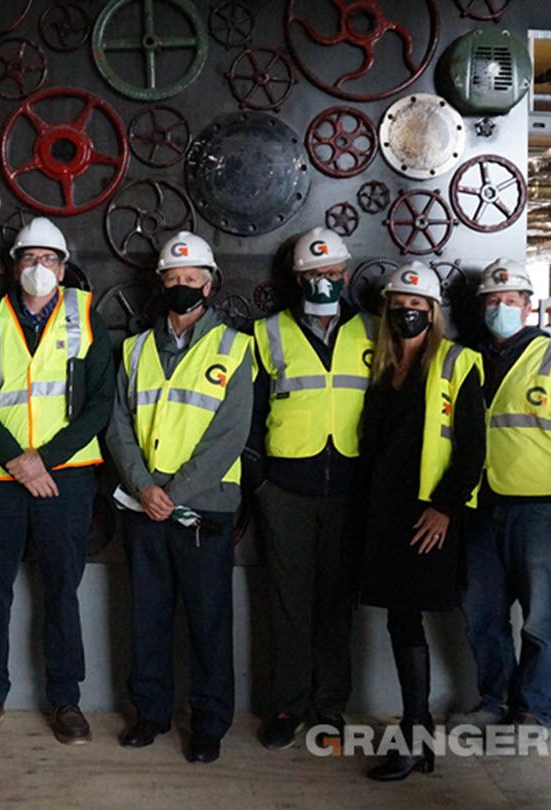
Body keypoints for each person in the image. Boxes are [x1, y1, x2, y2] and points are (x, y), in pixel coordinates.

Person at [0, 217, 114, 744]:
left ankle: (66, 700)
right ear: (13, 266)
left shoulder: (89, 320)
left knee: (62, 593)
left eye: (49, 260)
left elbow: (99, 407)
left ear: (64, 268)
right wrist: (16, 461)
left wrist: (43, 460)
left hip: (64, 477)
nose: (39, 268)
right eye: (29, 259)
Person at [105, 232, 254, 764]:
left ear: (209, 286)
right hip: (143, 503)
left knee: (208, 620)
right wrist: (145, 486)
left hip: (203, 507)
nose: (183, 287)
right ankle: (150, 714)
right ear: (161, 283)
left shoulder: (236, 348)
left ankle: (210, 723)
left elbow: (230, 435)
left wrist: (173, 492)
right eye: (174, 279)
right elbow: (118, 425)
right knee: (147, 616)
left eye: (193, 280)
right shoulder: (136, 348)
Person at [450, 259, 551, 734]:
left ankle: (533, 709)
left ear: (528, 306)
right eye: (492, 302)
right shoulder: (466, 359)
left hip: (541, 509)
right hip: (480, 507)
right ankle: (494, 700)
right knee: (482, 614)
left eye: (510, 301)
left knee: (540, 619)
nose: (500, 308)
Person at [246, 226, 375, 750]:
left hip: (349, 489)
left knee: (336, 606)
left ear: (345, 274)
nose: (324, 281)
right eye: (313, 273)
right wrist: (260, 484)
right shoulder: (266, 333)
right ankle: (287, 707)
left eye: (332, 272)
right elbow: (250, 417)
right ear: (296, 277)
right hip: (286, 490)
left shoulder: (372, 331)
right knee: (287, 605)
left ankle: (330, 711)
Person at [356, 263, 485, 780]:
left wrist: (445, 509)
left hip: (428, 513)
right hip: (385, 513)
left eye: (417, 308)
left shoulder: (458, 363)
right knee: (399, 618)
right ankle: (418, 736)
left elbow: (474, 450)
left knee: (408, 617)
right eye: (399, 307)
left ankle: (414, 738)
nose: (407, 314)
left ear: (433, 314)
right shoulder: (384, 366)